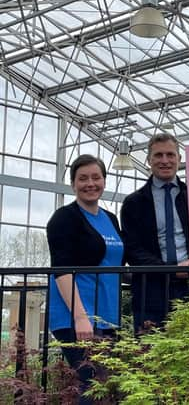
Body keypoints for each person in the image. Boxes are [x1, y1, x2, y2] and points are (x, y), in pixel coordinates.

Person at [47, 155, 124, 404]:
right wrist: (80, 317)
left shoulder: (110, 219)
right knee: (91, 382)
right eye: (83, 179)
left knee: (106, 384)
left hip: (107, 315)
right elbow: (62, 269)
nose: (90, 183)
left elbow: (117, 263)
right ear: (73, 184)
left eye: (96, 177)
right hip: (76, 315)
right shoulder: (64, 218)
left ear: (104, 181)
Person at [121, 133, 189, 332]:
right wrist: (171, 268)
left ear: (179, 159)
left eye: (170, 155)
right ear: (148, 160)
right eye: (158, 155)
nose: (165, 161)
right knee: (152, 354)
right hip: (151, 290)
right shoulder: (134, 203)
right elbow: (133, 250)